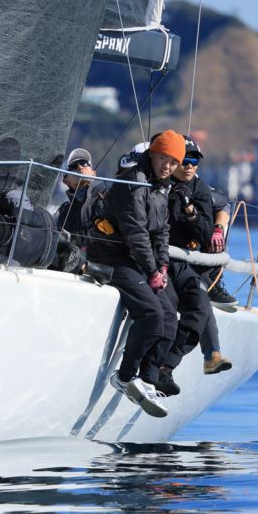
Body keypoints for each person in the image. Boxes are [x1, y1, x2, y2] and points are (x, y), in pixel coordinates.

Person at [86, 129, 188, 418]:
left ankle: (148, 380)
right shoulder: (134, 182)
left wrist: (163, 266)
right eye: (164, 158)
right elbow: (136, 232)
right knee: (152, 314)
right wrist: (152, 270)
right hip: (111, 255)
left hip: (139, 261)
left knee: (170, 316)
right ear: (152, 154)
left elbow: (162, 231)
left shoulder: (161, 187)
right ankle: (125, 376)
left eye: (174, 162)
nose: (168, 166)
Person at [157, 135, 233, 389]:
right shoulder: (157, 182)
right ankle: (154, 366)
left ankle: (170, 365)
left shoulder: (200, 189)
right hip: (158, 259)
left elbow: (216, 215)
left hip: (189, 262)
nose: (189, 166)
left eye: (195, 161)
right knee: (168, 310)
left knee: (199, 304)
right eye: (184, 161)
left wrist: (194, 214)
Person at [55, 148, 97, 244]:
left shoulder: (107, 199)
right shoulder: (65, 211)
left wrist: (72, 238)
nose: (80, 167)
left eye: (84, 163)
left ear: (94, 173)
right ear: (66, 181)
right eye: (73, 167)